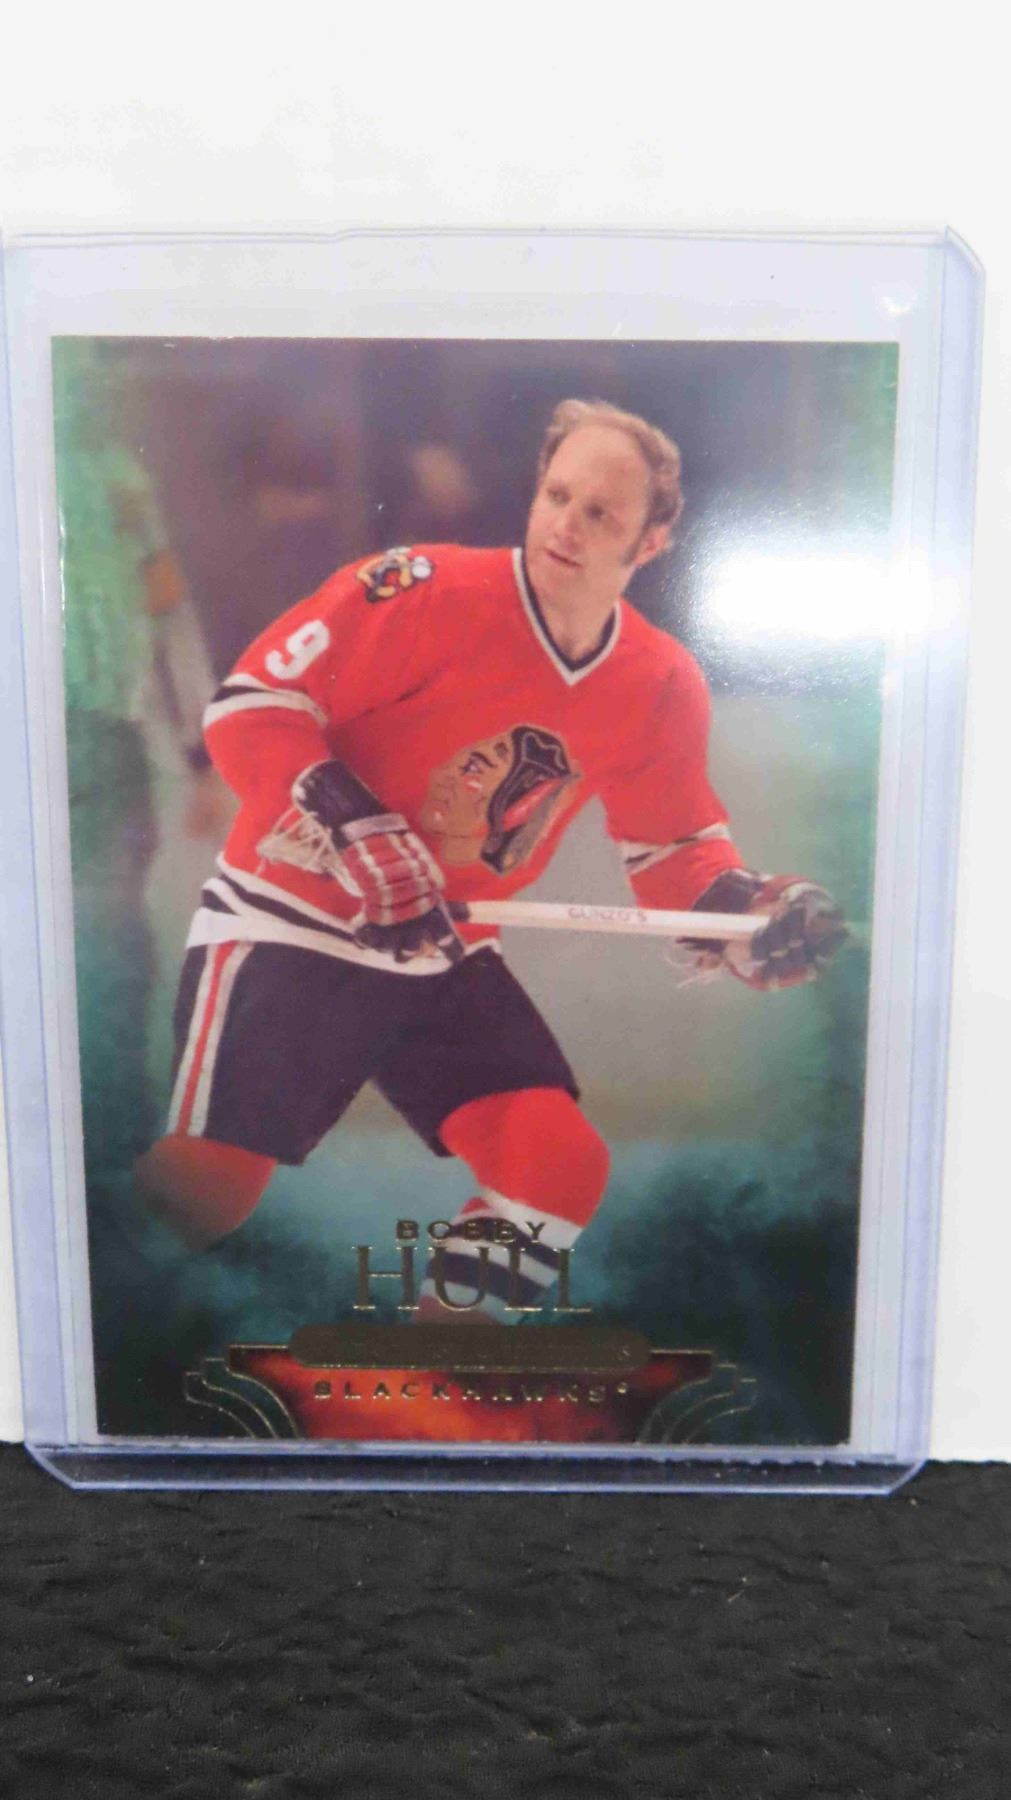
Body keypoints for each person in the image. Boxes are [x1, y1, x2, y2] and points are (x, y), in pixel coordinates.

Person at [133, 398, 846, 1322]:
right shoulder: (422, 588)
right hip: (294, 919)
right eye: (557, 496)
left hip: (443, 943)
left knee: (554, 1172)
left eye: (600, 514)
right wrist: (353, 824)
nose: (566, 525)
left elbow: (674, 846)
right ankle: (83, 1305)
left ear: (651, 542)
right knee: (207, 1189)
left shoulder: (658, 681)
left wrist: (745, 916)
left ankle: (440, 1364)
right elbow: (253, 706)